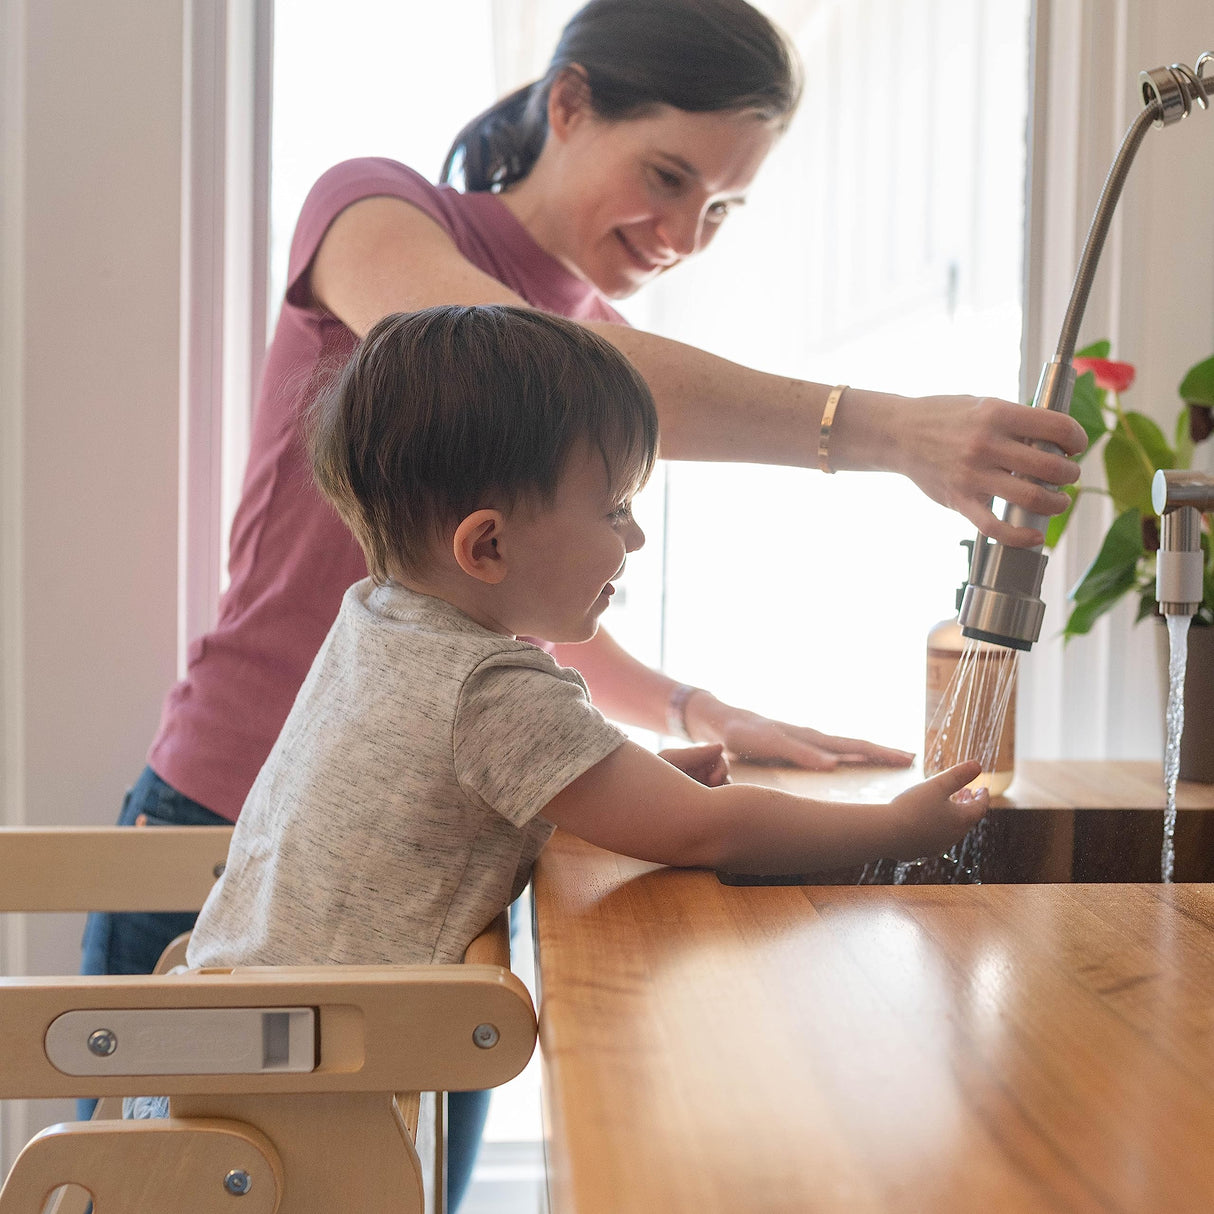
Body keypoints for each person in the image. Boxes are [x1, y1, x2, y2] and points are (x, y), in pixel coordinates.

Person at [85, 0, 1084, 1202]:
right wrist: (888, 433)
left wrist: (687, 715)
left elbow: (504, 627)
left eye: (718, 209)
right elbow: (506, 632)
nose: (682, 233)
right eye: (666, 174)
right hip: (221, 818)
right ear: (566, 103)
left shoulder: (428, 605)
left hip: (397, 905)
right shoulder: (402, 238)